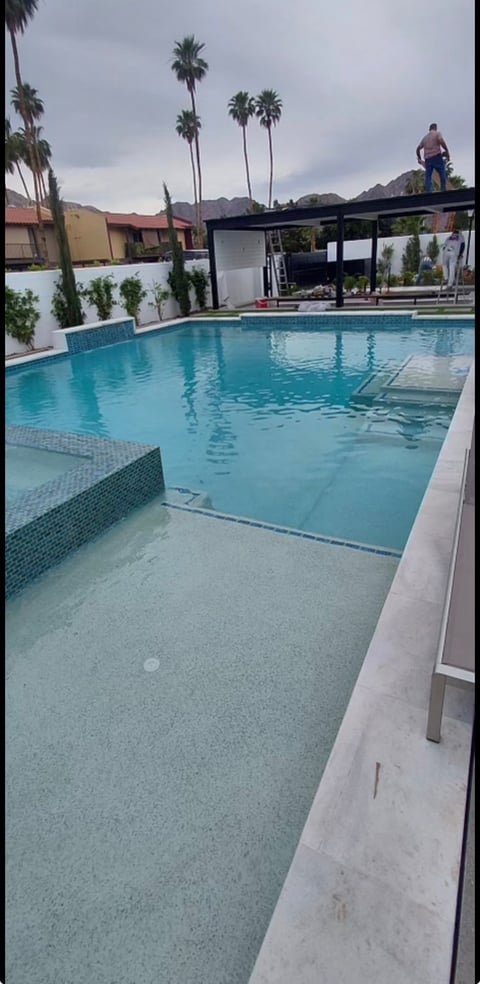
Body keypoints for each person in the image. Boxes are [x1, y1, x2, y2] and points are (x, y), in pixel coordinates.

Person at [415, 123, 450, 193]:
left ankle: (429, 192)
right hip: (436, 157)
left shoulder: (425, 138)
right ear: (436, 128)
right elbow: (441, 140)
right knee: (442, 174)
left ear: (429, 129)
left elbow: (418, 149)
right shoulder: (437, 134)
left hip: (428, 159)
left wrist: (419, 158)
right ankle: (443, 190)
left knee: (428, 176)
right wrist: (446, 150)